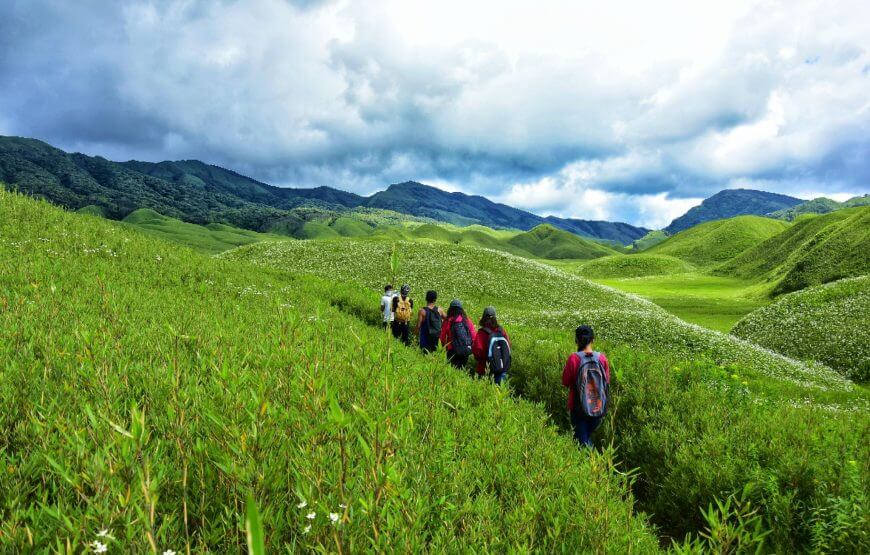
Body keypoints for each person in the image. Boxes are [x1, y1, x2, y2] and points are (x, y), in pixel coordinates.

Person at [561, 325, 611, 448]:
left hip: (579, 408)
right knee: (585, 438)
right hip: (598, 407)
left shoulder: (574, 358)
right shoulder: (602, 358)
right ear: (593, 340)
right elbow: (607, 382)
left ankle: (596, 460)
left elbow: (565, 382)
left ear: (576, 340)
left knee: (583, 443)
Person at [472, 306, 511, 384]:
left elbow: (477, 351)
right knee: (499, 390)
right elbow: (508, 345)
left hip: (484, 368)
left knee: (484, 390)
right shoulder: (501, 331)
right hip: (501, 367)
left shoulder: (481, 332)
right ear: (495, 318)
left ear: (483, 318)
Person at [440, 299, 476, 370]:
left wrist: (444, 347)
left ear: (450, 309)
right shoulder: (467, 320)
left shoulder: (448, 320)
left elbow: (442, 337)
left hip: (452, 350)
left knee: (452, 370)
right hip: (465, 350)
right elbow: (473, 336)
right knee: (461, 369)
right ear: (461, 309)